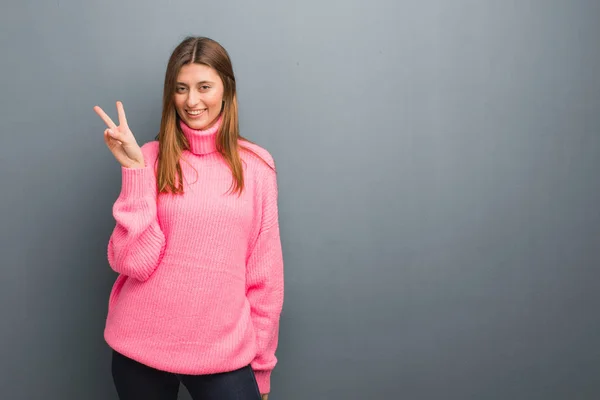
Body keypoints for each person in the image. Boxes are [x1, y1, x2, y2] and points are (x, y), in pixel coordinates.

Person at [93, 36, 284, 400]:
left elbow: (266, 279)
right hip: (140, 348)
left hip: (223, 354)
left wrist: (261, 368)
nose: (192, 101)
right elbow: (132, 261)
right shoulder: (148, 157)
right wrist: (135, 170)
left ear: (226, 89)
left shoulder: (257, 167)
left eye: (204, 87)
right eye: (181, 89)